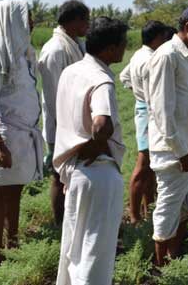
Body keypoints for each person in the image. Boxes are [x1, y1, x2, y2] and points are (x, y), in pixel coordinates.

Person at [53, 16, 129, 285]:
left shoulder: (71, 71)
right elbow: (102, 123)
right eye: (123, 44)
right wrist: (95, 146)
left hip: (74, 172)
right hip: (98, 173)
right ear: (110, 48)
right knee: (95, 252)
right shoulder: (101, 80)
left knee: (74, 249)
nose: (124, 49)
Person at [145, 5, 188, 266]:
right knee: (168, 208)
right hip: (175, 153)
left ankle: (174, 259)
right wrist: (182, 151)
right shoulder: (167, 56)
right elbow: (162, 110)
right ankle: (161, 267)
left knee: (185, 209)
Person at [0, 0, 44, 265]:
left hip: (23, 133)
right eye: (27, 18)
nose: (32, 23)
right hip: (5, 134)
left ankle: (12, 241)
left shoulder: (23, 50)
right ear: (12, 20)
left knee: (15, 189)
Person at [38, 0, 89, 225]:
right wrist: (62, 132)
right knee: (60, 178)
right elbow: (53, 98)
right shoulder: (55, 49)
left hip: (78, 121)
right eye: (85, 20)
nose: (88, 25)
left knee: (75, 175)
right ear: (75, 20)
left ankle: (75, 219)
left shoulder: (76, 44)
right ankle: (61, 224)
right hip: (61, 125)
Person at [119, 20, 175, 224]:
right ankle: (134, 215)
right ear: (158, 38)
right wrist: (143, 95)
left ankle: (147, 208)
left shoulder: (138, 55)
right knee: (143, 164)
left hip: (143, 109)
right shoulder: (152, 59)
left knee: (150, 164)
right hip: (148, 113)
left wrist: (137, 92)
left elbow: (124, 77)